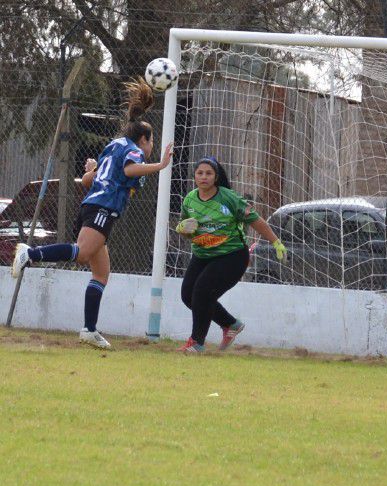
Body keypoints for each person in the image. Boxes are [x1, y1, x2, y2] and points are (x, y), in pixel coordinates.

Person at [12, 79, 173, 349]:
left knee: (100, 273)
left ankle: (88, 330)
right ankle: (30, 254)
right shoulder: (134, 151)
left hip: (93, 204)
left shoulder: (114, 146)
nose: (152, 146)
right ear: (143, 139)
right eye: (152, 141)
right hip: (104, 208)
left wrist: (92, 169)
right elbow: (130, 171)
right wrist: (161, 164)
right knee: (83, 253)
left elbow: (87, 181)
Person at [175, 157, 286, 353]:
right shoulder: (190, 199)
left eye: (208, 173)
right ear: (194, 176)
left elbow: (256, 220)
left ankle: (196, 343)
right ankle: (230, 324)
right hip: (202, 254)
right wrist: (183, 229)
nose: (204, 177)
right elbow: (187, 230)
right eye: (200, 173)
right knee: (187, 296)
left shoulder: (228, 198)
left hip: (232, 256)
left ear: (216, 177)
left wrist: (275, 241)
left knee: (202, 291)